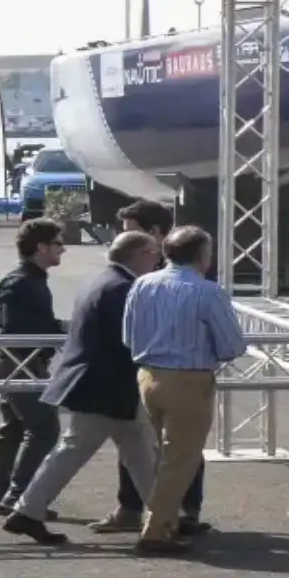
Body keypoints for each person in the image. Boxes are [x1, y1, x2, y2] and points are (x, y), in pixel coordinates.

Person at [2, 232, 165, 545]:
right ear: (138, 255)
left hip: (100, 385)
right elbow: (131, 340)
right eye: (153, 252)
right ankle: (27, 511)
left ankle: (164, 517)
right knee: (87, 450)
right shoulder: (123, 289)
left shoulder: (104, 281)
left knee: (137, 450)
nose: (157, 258)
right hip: (106, 388)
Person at [122, 226, 247, 554]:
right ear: (203, 257)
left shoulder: (142, 284)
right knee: (180, 460)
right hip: (188, 379)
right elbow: (232, 345)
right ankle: (156, 530)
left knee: (164, 455)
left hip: (147, 375)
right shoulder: (207, 292)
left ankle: (165, 522)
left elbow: (128, 336)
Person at [91, 199, 210, 536]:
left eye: (131, 232)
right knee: (138, 446)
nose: (122, 240)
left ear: (157, 235)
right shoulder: (135, 277)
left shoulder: (188, 275)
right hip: (143, 372)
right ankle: (132, 508)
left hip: (182, 373)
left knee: (182, 449)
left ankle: (185, 512)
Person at [0, 218, 67, 517]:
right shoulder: (21, 282)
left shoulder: (30, 279)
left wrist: (62, 329)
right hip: (21, 364)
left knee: (14, 429)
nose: (63, 250)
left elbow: (36, 324)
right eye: (58, 244)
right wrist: (60, 334)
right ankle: (21, 499)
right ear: (40, 247)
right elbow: (20, 328)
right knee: (44, 429)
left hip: (19, 363)